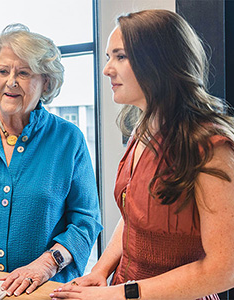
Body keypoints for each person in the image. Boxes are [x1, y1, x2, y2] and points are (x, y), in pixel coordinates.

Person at [50, 9, 234, 300]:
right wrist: (100, 270)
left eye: (120, 56)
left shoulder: (211, 147)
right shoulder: (142, 131)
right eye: (109, 57)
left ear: (159, 61)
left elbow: (224, 269)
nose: (107, 69)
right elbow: (135, 216)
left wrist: (121, 293)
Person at [0, 24, 102, 297]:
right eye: (3, 71)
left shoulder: (68, 139)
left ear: (45, 82)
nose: (11, 81)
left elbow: (86, 222)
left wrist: (47, 264)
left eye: (23, 73)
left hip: (40, 290)